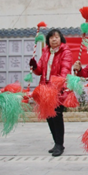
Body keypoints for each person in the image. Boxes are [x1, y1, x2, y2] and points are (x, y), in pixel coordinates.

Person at [30, 29, 73, 157]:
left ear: (61, 39)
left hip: (57, 90)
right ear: (48, 40)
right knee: (49, 117)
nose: (54, 40)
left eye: (57, 37)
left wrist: (58, 86)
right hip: (45, 89)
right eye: (51, 37)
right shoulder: (45, 52)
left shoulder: (66, 52)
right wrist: (34, 66)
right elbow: (39, 71)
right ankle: (56, 143)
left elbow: (65, 70)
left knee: (57, 117)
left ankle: (60, 144)